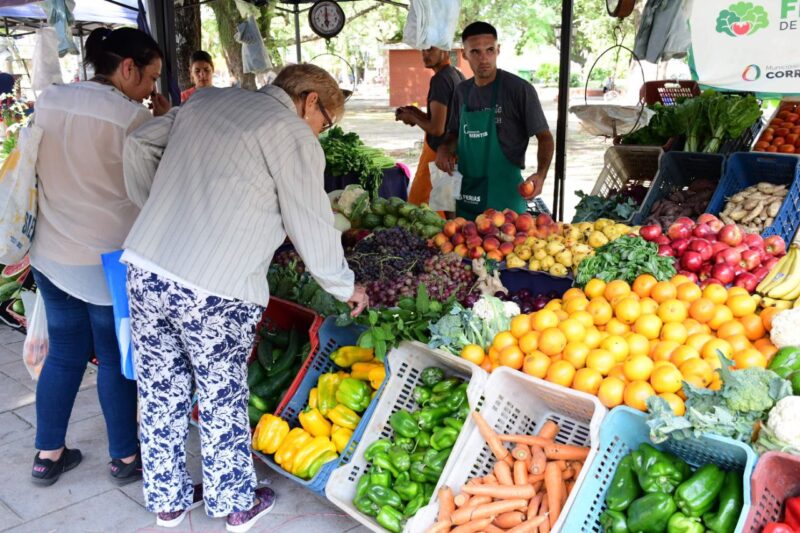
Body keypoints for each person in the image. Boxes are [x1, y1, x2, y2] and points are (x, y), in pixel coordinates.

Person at [122, 63, 368, 531]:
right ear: (309, 101)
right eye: (326, 122)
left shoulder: (209, 99)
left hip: (147, 265)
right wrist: (343, 284)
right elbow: (312, 221)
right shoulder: (291, 132)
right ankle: (234, 503)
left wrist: (156, 205)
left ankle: (168, 501)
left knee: (159, 389)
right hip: (215, 286)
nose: (322, 131)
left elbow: (137, 144)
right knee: (220, 392)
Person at [28, 27, 170, 486]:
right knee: (114, 357)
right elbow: (159, 185)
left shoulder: (50, 99)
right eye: (150, 78)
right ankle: (125, 459)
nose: (152, 90)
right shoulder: (131, 120)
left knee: (65, 354)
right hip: (109, 263)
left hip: (51, 255)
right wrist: (166, 121)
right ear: (127, 68)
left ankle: (47, 455)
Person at [435, 21, 554, 220]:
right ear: (464, 54)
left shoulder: (519, 90)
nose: (484, 59)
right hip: (467, 199)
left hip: (506, 205)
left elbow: (545, 138)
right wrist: (444, 148)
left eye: (489, 50)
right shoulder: (462, 92)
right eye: (475, 52)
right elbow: (453, 133)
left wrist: (541, 174)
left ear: (498, 50)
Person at [395, 47, 464, 206]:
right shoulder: (456, 74)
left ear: (445, 49)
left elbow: (437, 129)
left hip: (438, 154)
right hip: (452, 153)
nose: (425, 54)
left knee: (421, 207)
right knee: (446, 207)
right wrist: (415, 113)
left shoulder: (440, 79)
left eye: (431, 49)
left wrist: (412, 117)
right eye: (423, 50)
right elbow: (445, 120)